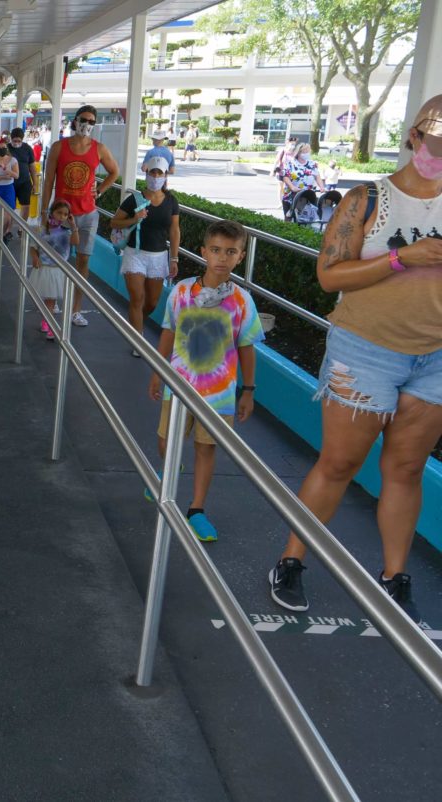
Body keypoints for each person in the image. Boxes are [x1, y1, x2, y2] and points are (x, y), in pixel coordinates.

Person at [268, 94, 442, 622]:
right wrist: (400, 258)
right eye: (436, 142)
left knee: (407, 468)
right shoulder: (367, 200)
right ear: (414, 138)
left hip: (434, 358)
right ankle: (291, 561)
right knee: (340, 463)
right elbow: (328, 276)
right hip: (363, 350)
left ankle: (394, 576)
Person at [147, 219, 263, 542]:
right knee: (165, 441)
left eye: (230, 252)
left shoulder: (242, 301)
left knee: (205, 448)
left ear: (240, 256)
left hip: (219, 396)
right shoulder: (182, 291)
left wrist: (248, 391)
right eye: (215, 250)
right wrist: (158, 371)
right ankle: (168, 469)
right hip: (178, 386)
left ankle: (196, 509)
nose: (222, 258)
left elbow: (246, 347)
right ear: (203, 252)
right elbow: (168, 332)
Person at [41, 104, 121, 328]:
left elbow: (115, 171)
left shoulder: (99, 148)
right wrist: (44, 212)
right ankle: (53, 300)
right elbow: (48, 181)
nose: (87, 125)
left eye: (92, 122)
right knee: (56, 261)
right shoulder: (59, 147)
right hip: (61, 215)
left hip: (87, 215)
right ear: (74, 121)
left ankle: (76, 309)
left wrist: (101, 190)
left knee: (83, 262)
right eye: (83, 120)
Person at [111, 156, 181, 353]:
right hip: (135, 254)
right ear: (147, 173)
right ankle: (138, 340)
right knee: (137, 297)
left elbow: (175, 231)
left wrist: (174, 258)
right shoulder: (134, 199)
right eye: (153, 172)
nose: (156, 176)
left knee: (151, 302)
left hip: (159, 257)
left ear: (166, 176)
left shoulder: (172, 201)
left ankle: (135, 323)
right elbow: (114, 223)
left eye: (160, 173)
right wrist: (134, 218)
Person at [29, 200, 79, 341]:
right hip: (45, 268)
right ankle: (48, 322)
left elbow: (76, 242)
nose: (62, 217)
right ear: (52, 212)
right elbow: (33, 246)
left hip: (59, 270)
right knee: (48, 300)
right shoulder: (42, 230)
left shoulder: (67, 232)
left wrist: (74, 226)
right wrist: (34, 257)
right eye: (59, 213)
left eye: (65, 215)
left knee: (51, 300)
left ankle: (49, 324)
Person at [279, 143, 326, 211]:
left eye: (308, 152)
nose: (307, 154)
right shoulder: (290, 163)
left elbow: (317, 176)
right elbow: (285, 177)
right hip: (291, 196)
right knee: (290, 218)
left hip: (308, 196)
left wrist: (321, 187)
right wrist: (292, 187)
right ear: (298, 153)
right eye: (304, 152)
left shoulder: (312, 164)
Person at [7, 126, 38, 226]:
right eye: (14, 140)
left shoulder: (27, 148)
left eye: (18, 141)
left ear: (22, 139)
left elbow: (32, 168)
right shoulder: (6, 148)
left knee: (26, 206)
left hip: (24, 182)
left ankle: (22, 228)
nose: (16, 143)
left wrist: (35, 184)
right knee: (9, 207)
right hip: (9, 182)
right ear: (11, 139)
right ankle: (7, 229)